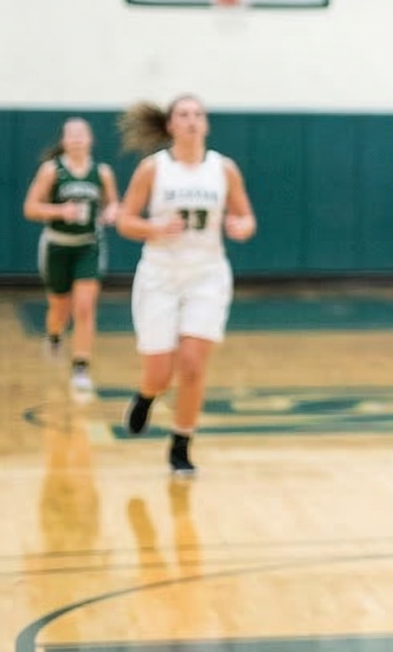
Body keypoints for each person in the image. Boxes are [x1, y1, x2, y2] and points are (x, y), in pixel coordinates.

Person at [115, 96, 257, 477]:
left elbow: (246, 216)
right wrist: (153, 229)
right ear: (170, 126)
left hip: (207, 274)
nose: (192, 120)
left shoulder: (223, 169)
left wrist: (240, 227)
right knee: (160, 373)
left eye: (198, 114)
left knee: (193, 365)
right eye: (184, 115)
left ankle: (181, 443)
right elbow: (126, 220)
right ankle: (146, 395)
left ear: (205, 124)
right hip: (160, 275)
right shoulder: (153, 169)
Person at [23, 118, 120, 399]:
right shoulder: (52, 170)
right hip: (57, 247)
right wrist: (59, 211)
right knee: (59, 310)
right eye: (71, 134)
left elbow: (113, 203)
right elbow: (30, 208)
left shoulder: (102, 172)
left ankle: (81, 367)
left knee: (85, 308)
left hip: (88, 246)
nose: (77, 138)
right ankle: (53, 336)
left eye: (82, 134)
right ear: (63, 140)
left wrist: (113, 212)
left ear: (90, 139)